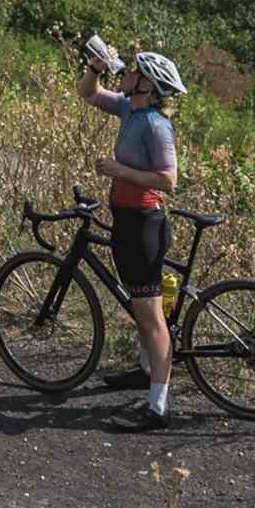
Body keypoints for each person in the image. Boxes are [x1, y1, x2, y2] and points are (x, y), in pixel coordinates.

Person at [76, 48, 188, 430]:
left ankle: (159, 407)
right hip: (127, 221)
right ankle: (145, 371)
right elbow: (89, 93)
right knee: (141, 310)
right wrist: (96, 65)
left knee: (152, 318)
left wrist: (119, 170)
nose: (127, 73)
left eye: (135, 71)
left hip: (144, 224)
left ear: (146, 84)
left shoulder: (157, 125)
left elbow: (168, 181)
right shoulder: (130, 110)